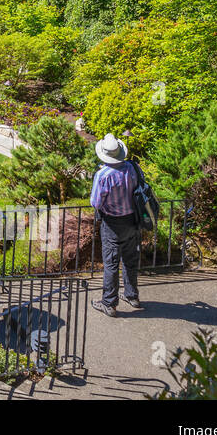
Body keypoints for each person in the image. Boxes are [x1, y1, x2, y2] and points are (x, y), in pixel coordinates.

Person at [89, 133, 145, 316]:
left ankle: (109, 303)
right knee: (130, 259)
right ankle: (132, 295)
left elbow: (96, 202)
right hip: (133, 220)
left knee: (111, 263)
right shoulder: (132, 168)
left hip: (112, 223)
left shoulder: (103, 175)